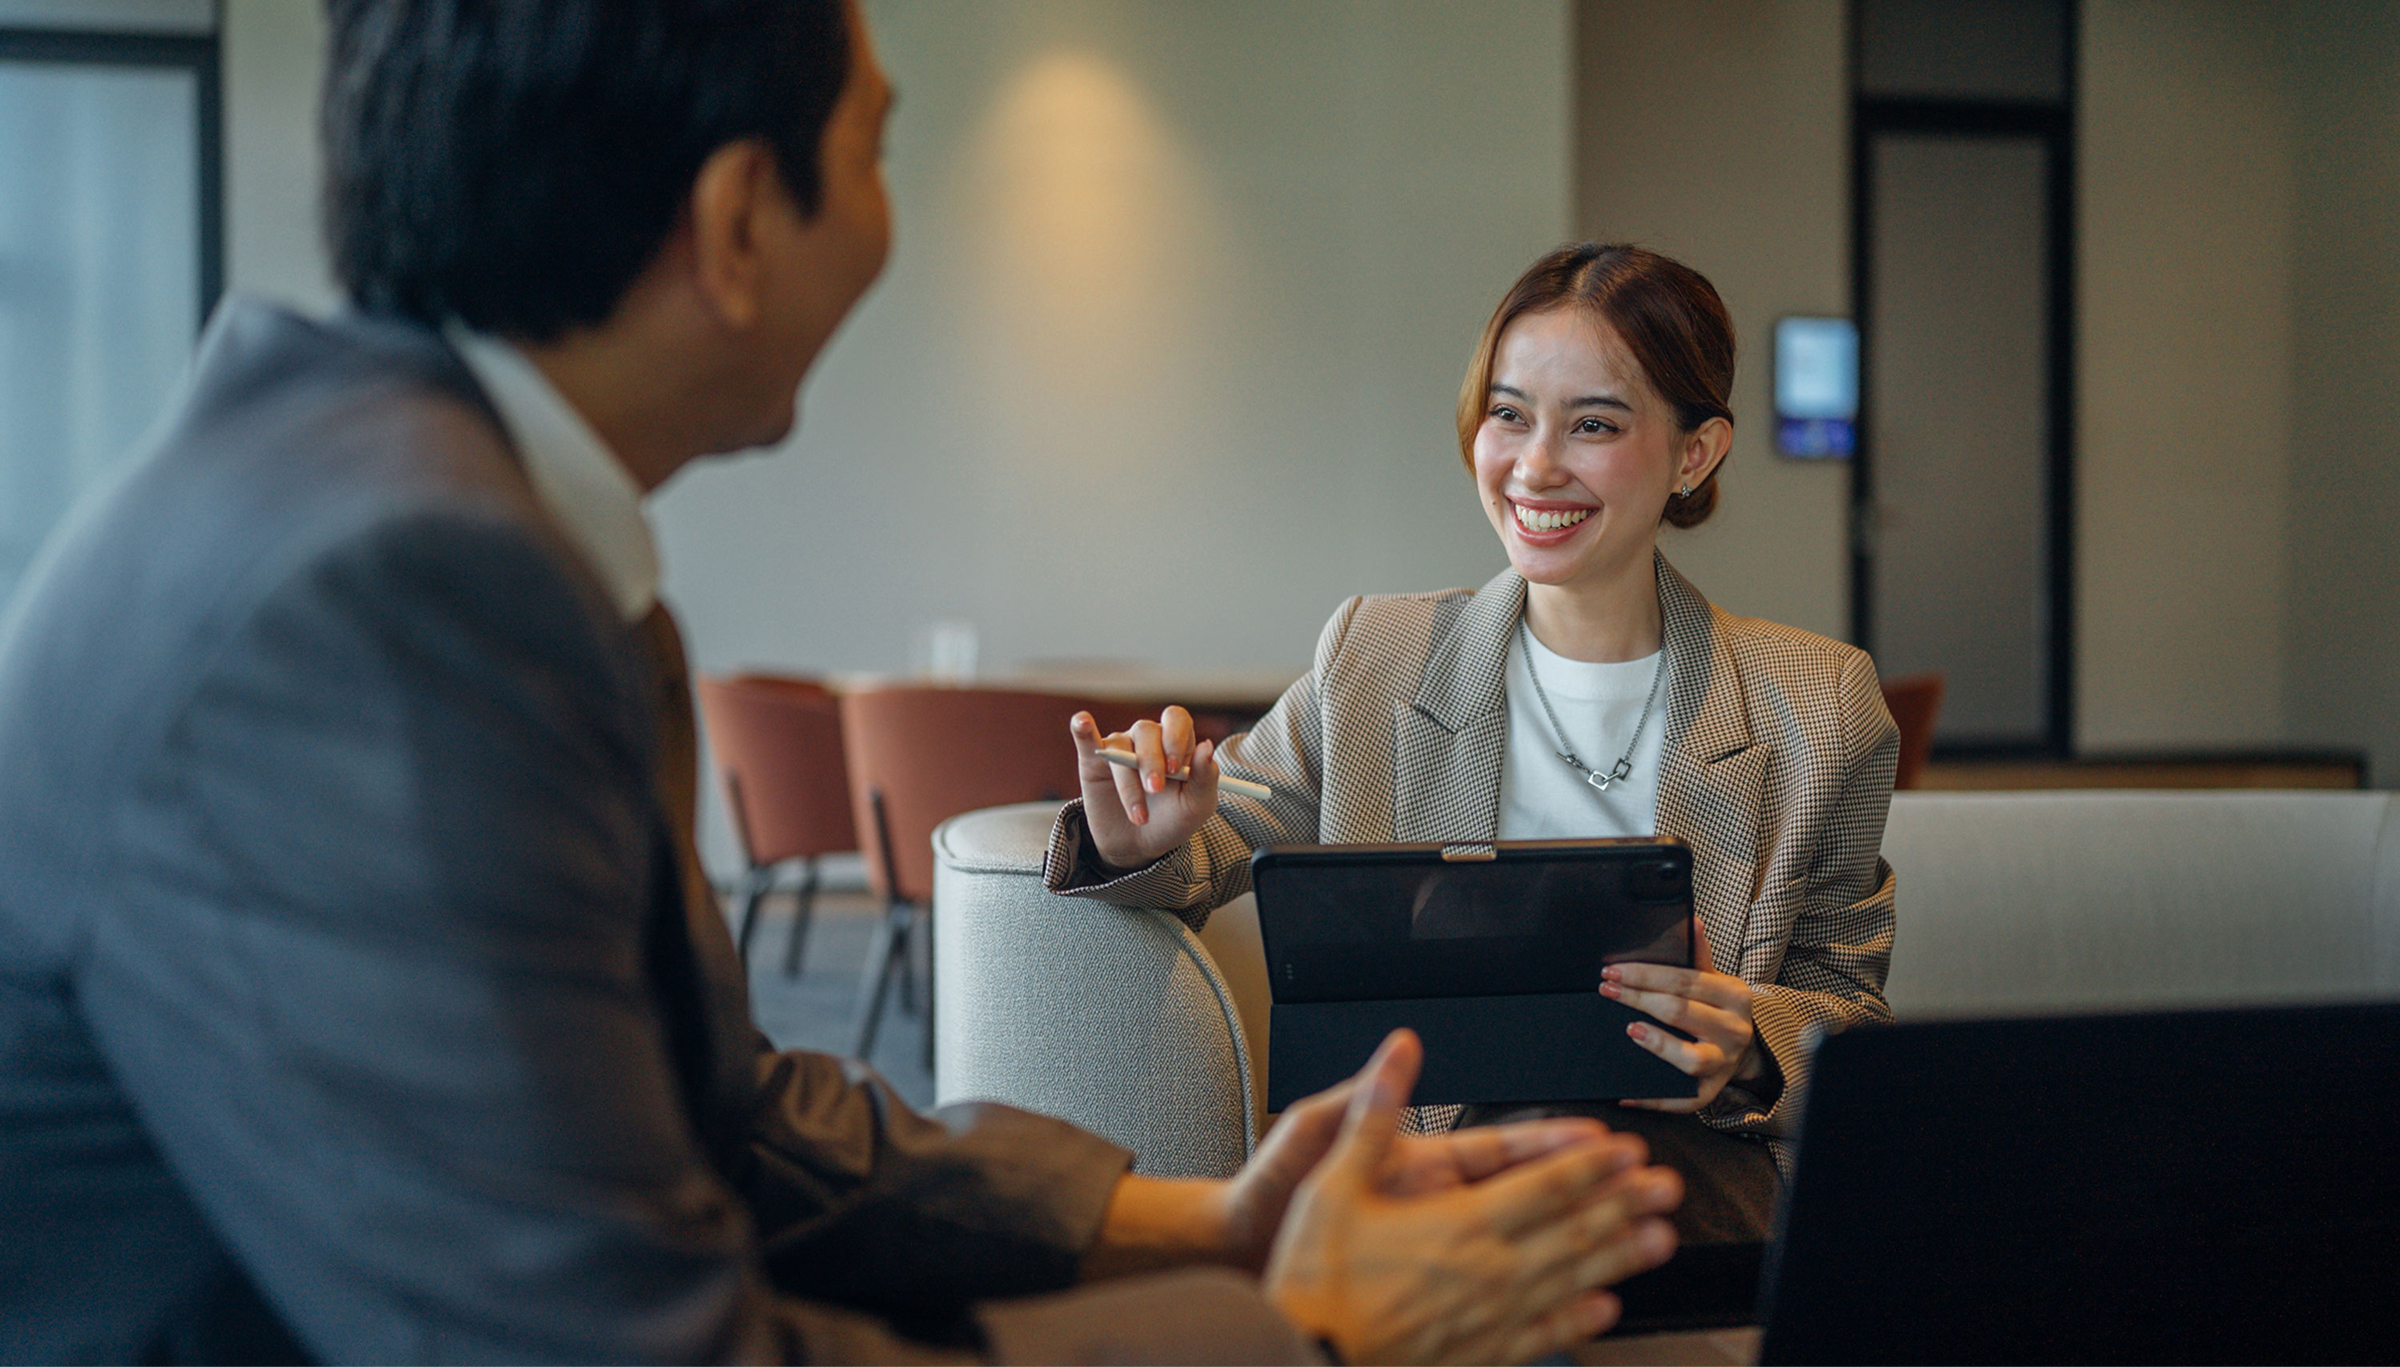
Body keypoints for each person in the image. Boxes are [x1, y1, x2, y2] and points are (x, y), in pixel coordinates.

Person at [0, 4, 1686, 1363]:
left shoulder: (401, 511)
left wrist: (1215, 1217)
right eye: (877, 147)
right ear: (742, 220)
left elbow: (723, 1111)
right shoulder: (391, 599)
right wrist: (1292, 1324)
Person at [1050, 242, 1899, 1323]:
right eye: (1509, 415)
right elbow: (1228, 835)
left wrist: (1752, 1049)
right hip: (1419, 1173)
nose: (1535, 467)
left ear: (1695, 452)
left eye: (1593, 424)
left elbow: (1853, 1017)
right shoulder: (1376, 654)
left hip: (1675, 1194)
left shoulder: (1815, 703)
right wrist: (1145, 837)